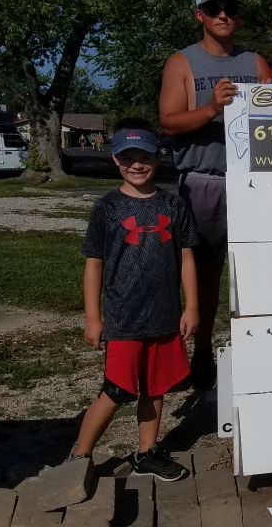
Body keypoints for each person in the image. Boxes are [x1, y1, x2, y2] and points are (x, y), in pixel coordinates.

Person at [68, 122, 199, 482]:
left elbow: (187, 257)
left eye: (144, 157)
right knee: (117, 389)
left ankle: (146, 452)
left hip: (164, 314)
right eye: (129, 158)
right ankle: (79, 457)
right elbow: (94, 263)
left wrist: (192, 306)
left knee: (155, 387)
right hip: (123, 316)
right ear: (115, 159)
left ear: (158, 158)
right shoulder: (106, 207)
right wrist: (93, 317)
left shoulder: (173, 205)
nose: (137, 165)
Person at [160, 0, 271, 390]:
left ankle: (258, 349)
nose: (223, 15)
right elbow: (169, 122)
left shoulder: (257, 64)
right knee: (202, 273)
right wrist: (210, 108)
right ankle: (201, 350)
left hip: (252, 184)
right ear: (200, 15)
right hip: (202, 180)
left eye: (230, 8)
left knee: (256, 271)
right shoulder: (182, 62)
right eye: (214, 9)